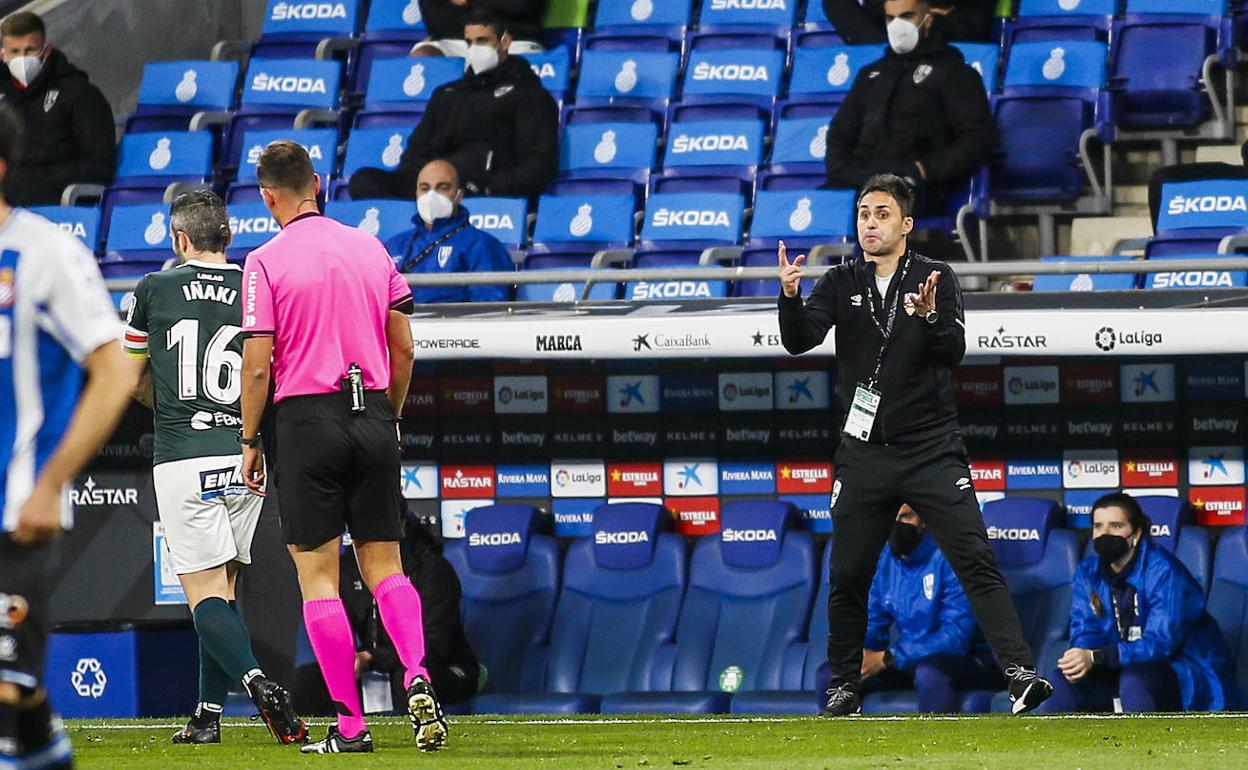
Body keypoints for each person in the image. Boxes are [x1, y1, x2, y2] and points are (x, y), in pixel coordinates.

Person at [777, 173, 1052, 717]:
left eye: (881, 214)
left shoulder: (935, 277)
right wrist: (789, 296)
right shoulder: (838, 280)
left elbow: (952, 351)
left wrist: (927, 317)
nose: (869, 224)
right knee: (848, 573)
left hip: (930, 449)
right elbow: (798, 339)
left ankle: (1019, 674)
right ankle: (843, 686)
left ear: (905, 224)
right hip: (864, 454)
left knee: (974, 557)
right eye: (862, 214)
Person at [238, 141, 445, 754]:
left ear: (267, 197)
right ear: (319, 184)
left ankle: (352, 729)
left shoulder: (264, 261)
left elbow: (256, 365)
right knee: (386, 567)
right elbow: (403, 346)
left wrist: (250, 439)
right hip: (373, 410)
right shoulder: (371, 246)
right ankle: (418, 673)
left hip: (304, 422)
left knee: (319, 580)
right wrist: (391, 415)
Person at [121, 190, 308, 746]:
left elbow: (130, 377)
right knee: (222, 592)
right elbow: (272, 369)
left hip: (183, 452)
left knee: (203, 595)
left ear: (180, 240)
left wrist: (177, 406)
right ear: (227, 237)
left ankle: (257, 684)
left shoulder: (152, 289)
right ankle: (206, 716)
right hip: (246, 454)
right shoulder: (257, 284)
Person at [0, 104, 136, 770]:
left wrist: (52, 482)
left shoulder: (46, 251)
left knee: (2, 694)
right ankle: (46, 746)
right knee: (19, 707)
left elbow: (114, 367)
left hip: (17, 511)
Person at [1038, 493, 1238, 713]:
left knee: (1135, 680)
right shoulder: (1088, 573)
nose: (1105, 534)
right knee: (1064, 680)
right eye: (1098, 526)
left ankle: (1143, 747)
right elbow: (1086, 628)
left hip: (1180, 672)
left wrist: (1098, 656)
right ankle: (1054, 747)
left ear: (1136, 533)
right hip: (1117, 665)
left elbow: (1161, 643)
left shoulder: (1165, 573)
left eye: (1116, 526)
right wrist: (1081, 656)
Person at [348, 10, 558, 201]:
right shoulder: (448, 94)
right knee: (364, 180)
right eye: (470, 42)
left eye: (483, 41)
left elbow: (538, 165)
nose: (475, 49)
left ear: (505, 42)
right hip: (433, 187)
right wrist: (425, 182)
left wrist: (489, 187)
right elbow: (417, 153)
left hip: (478, 189)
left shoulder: (530, 95)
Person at [294, 515, 481, 716]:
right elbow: (340, 624)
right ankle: (324, 737)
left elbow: (435, 645)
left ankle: (419, 737)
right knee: (309, 678)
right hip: (374, 668)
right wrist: (350, 659)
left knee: (410, 679)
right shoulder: (348, 568)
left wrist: (373, 657)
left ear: (398, 525)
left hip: (443, 666)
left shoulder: (432, 569)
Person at [824, 0, 993, 218]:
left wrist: (927, 169)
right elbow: (841, 132)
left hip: (917, 186)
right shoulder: (871, 75)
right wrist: (840, 170)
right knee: (821, 213)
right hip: (863, 178)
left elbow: (978, 138)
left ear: (928, 20)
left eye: (907, 17)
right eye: (890, 19)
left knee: (872, 214)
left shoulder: (954, 73)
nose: (897, 25)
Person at [859, 505, 1003, 713]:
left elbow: (956, 638)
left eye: (906, 517)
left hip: (970, 664)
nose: (896, 525)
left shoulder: (955, 557)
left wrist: (889, 657)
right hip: (907, 664)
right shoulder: (884, 560)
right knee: (834, 673)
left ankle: (933, 745)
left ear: (923, 518)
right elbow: (872, 620)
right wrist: (860, 652)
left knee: (930, 673)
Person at [0, 11, 115, 206]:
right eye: (15, 52)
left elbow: (100, 165)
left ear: (46, 51)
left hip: (57, 203)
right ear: (3, 55)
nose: (22, 59)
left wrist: (33, 179)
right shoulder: (3, 97)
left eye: (30, 51)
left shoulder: (79, 94)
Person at [385, 159, 512, 303]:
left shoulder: (481, 245)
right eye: (424, 188)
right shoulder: (394, 245)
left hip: (454, 323)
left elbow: (490, 308)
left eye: (442, 188)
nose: (431, 196)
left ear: (459, 195)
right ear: (416, 193)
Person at [412, 0, 547, 58]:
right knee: (423, 56)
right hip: (455, 43)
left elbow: (522, 6)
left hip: (513, 42)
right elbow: (435, 18)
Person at [822, 0, 995, 45]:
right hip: (883, 30)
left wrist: (923, 13)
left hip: (943, 28)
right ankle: (882, 51)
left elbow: (977, 12)